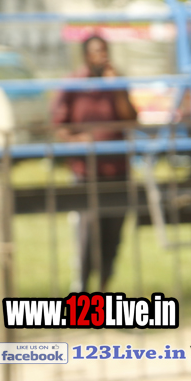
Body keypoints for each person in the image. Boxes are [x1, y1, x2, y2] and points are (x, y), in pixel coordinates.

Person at [52, 34, 138, 291]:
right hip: (86, 172)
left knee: (113, 236)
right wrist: (76, 140)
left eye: (105, 50)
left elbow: (131, 119)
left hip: (117, 170)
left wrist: (117, 87)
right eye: (97, 50)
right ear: (86, 55)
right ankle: (82, 292)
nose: (102, 55)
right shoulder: (73, 83)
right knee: (87, 236)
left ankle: (103, 291)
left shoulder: (116, 82)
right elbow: (59, 124)